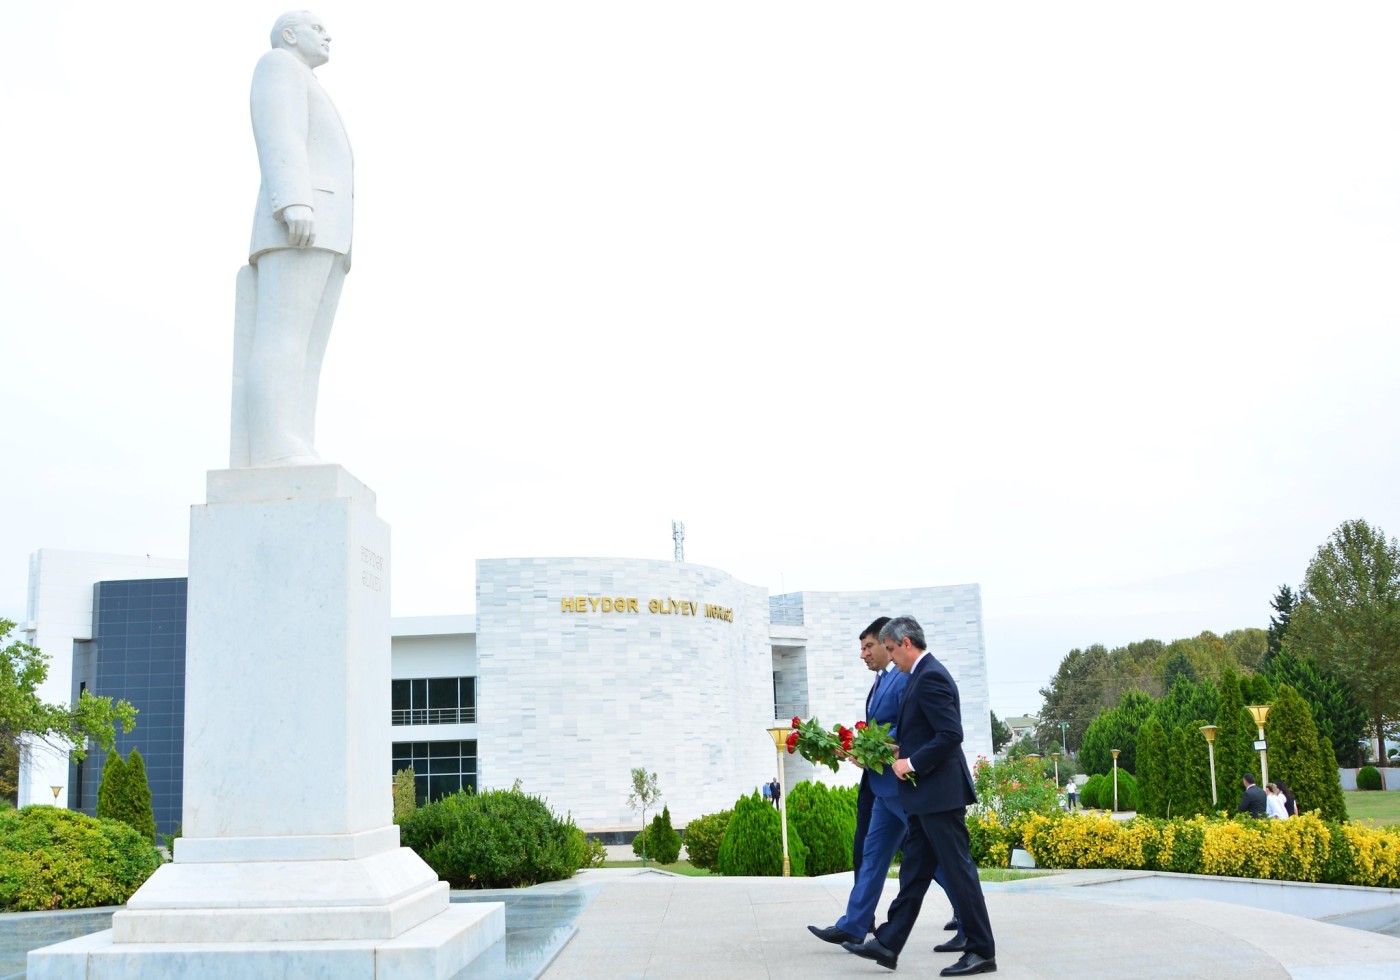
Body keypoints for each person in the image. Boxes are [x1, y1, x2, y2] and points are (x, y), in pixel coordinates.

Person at [231, 10, 354, 467]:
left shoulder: (308, 80)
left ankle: (296, 439)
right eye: (316, 28)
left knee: (306, 350)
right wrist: (293, 201)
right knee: (282, 337)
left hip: (329, 231)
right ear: (289, 34)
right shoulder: (278, 65)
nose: (327, 35)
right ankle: (274, 444)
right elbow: (280, 133)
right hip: (300, 221)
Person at [843, 616, 996, 977]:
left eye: (893, 650)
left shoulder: (931, 677)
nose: (890, 658)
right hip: (926, 797)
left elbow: (949, 735)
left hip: (940, 797)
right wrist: (896, 751)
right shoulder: (919, 677)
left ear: (907, 643)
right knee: (913, 873)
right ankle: (888, 942)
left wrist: (910, 762)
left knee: (960, 875)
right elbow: (926, 733)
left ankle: (981, 950)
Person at [810, 616, 944, 947]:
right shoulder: (882, 681)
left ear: (888, 644)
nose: (865, 654)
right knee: (872, 855)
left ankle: (969, 918)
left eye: (870, 646)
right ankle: (855, 923)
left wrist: (879, 749)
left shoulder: (902, 680)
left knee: (932, 856)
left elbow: (909, 727)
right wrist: (859, 748)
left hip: (899, 784)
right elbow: (880, 730)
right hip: (881, 785)